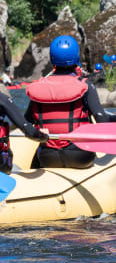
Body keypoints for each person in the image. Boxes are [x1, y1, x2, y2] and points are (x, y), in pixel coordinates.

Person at [25, 35, 116, 169]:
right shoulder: (85, 86)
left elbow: (26, 121)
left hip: (47, 157)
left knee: (42, 145)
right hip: (80, 156)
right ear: (77, 58)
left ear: (52, 59)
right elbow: (101, 119)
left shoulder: (39, 87)